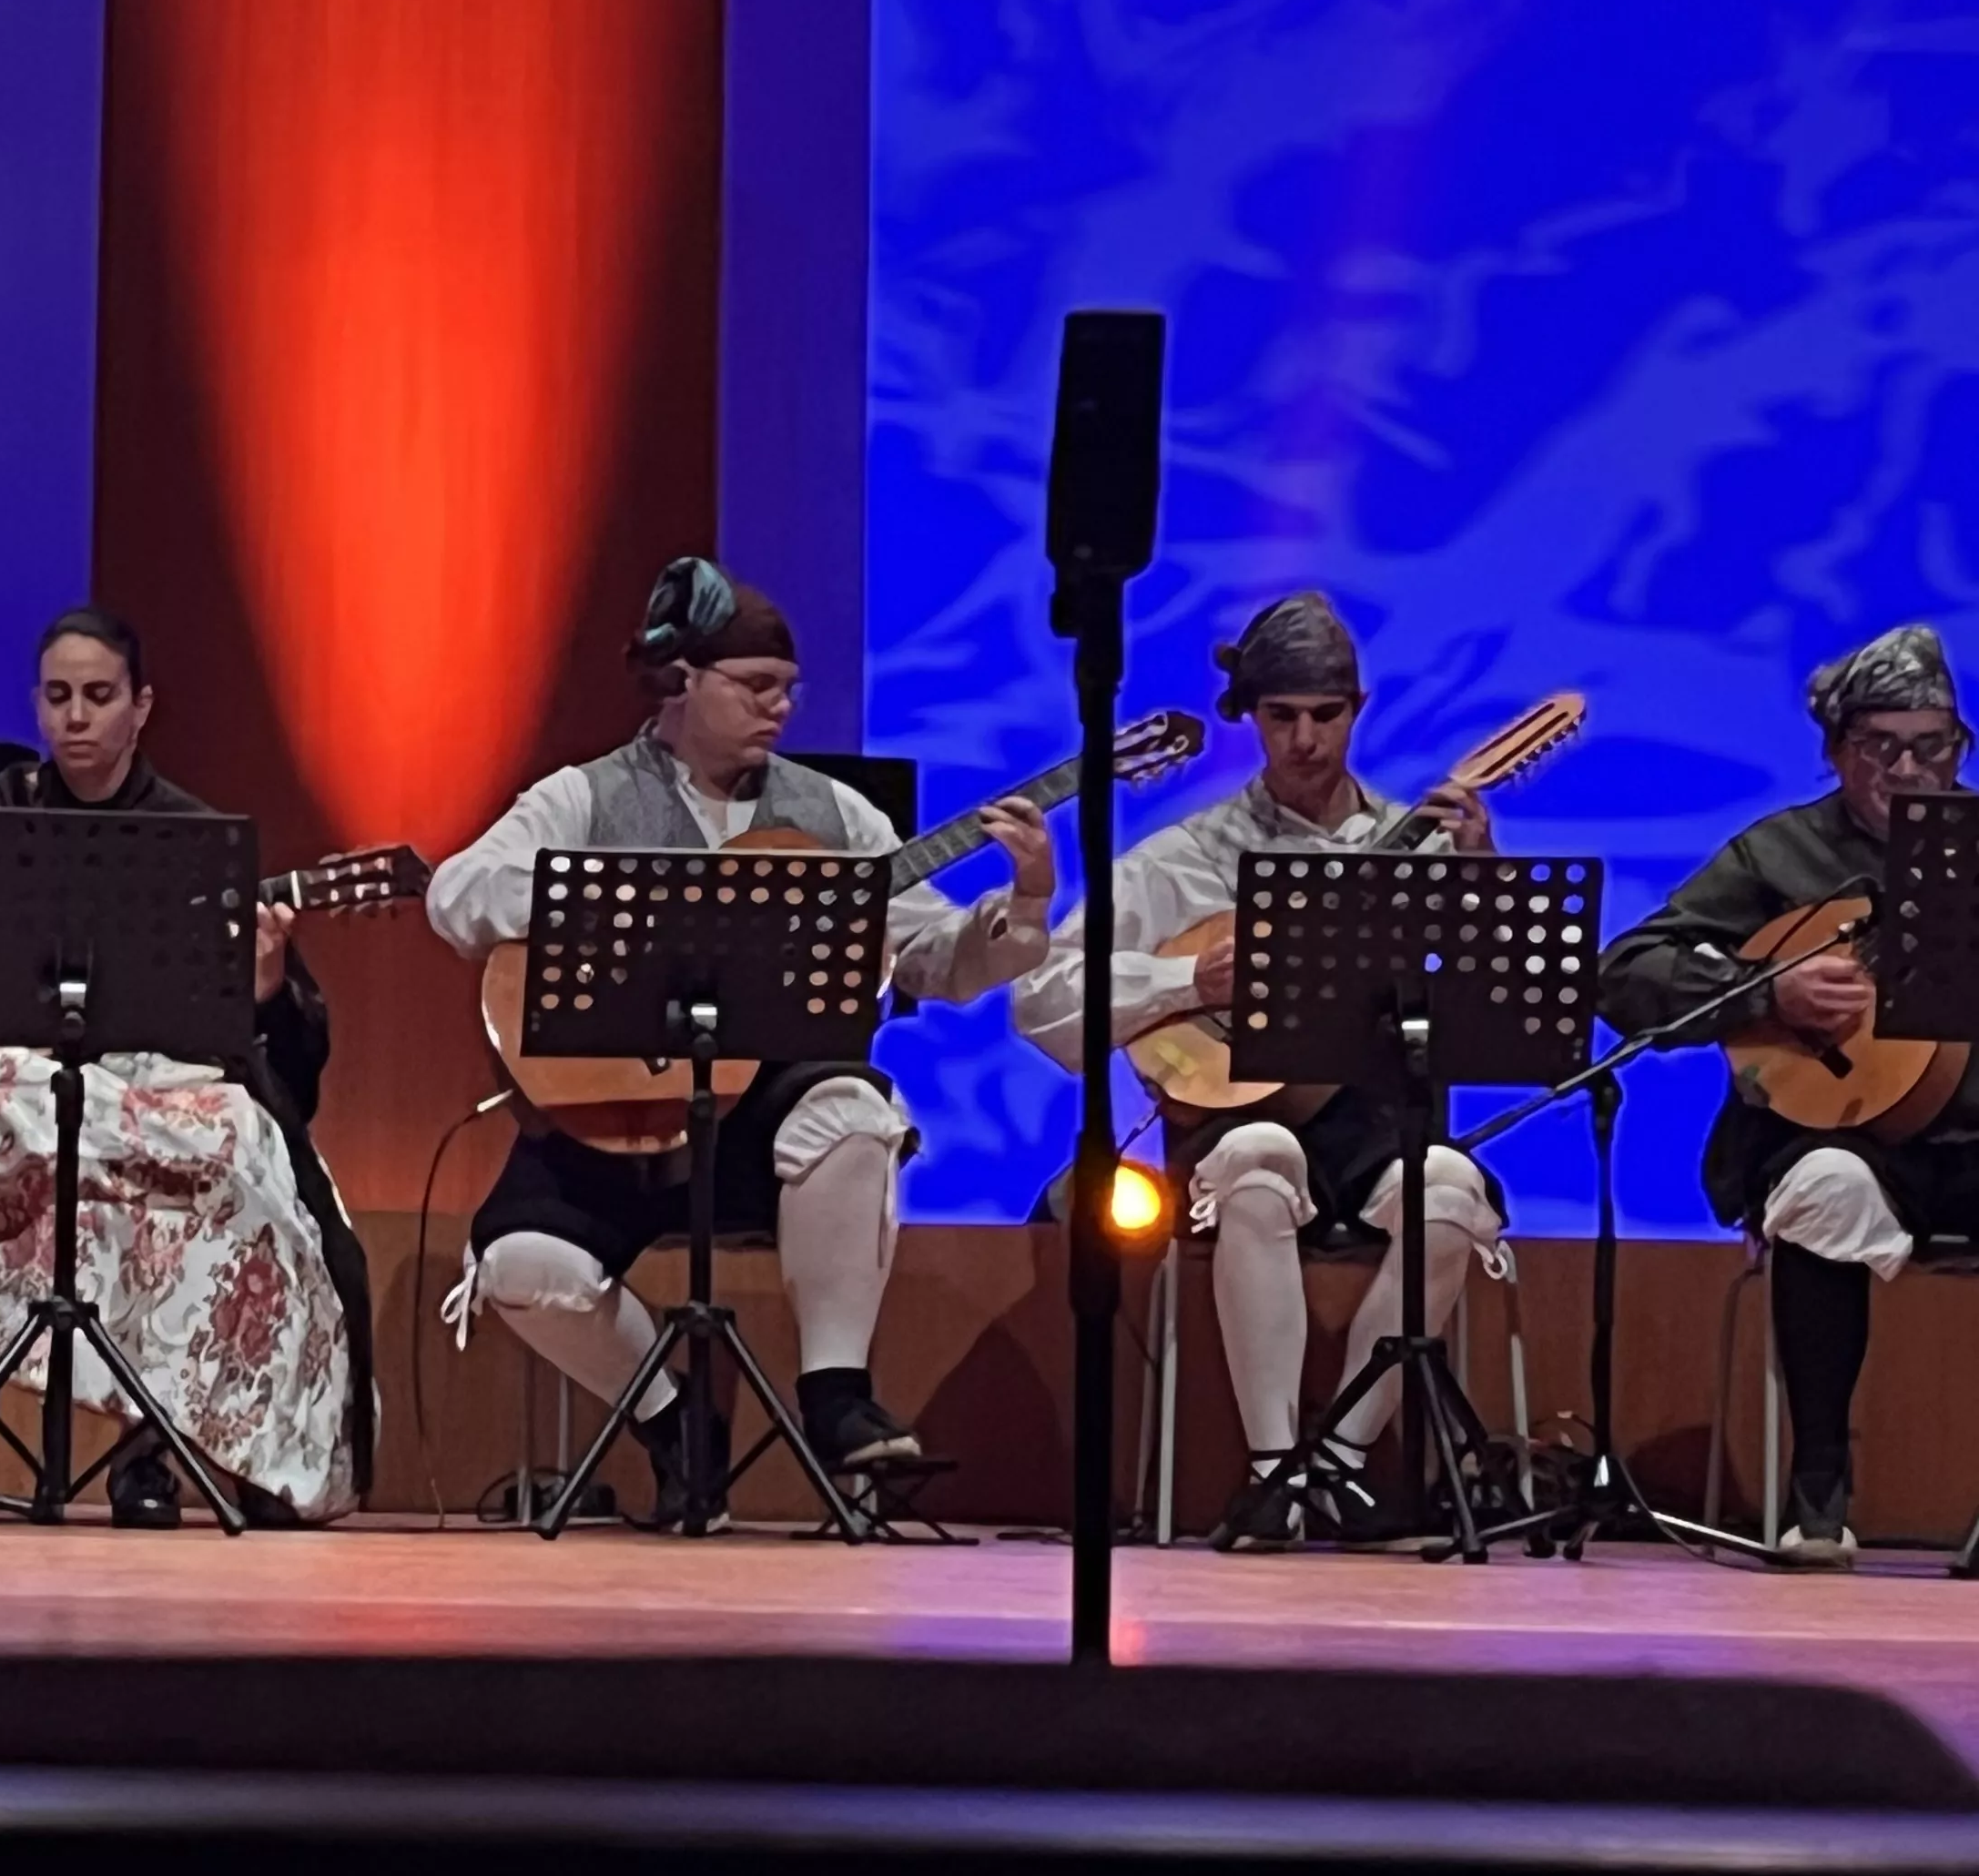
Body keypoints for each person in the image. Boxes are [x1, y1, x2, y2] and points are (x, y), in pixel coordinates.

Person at [426, 556, 1053, 1522]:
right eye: (757, 686)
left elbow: (935, 956)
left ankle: (836, 1395)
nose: (781, 708)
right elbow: (455, 895)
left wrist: (1027, 900)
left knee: (853, 1110)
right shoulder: (583, 795)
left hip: (764, 1122)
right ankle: (673, 1419)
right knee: (520, 1266)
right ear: (682, 680)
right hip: (619, 1116)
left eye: (788, 688)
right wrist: (631, 900)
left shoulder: (835, 814)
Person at [0, 607, 368, 1526]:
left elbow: (289, 1055)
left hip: (146, 1082)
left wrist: (262, 987)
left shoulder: (195, 839)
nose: (78, 716)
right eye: (59, 696)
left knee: (238, 1153)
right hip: (18, 1078)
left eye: (99, 695)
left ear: (142, 707)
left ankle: (160, 1448)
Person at [1010, 590, 1504, 1545]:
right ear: (1251, 718)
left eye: (1327, 715)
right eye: (1282, 717)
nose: (1306, 740)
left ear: (1358, 711)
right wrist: (1184, 977)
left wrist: (1479, 876)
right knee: (1257, 1165)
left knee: (1450, 1190)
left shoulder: (1422, 846)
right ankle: (1273, 1470)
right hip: (1235, 1121)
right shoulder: (1185, 859)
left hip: (1376, 1122)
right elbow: (1044, 999)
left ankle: (1340, 1463)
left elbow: (1494, 1002)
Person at [1602, 623, 1979, 1571]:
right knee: (1825, 1186)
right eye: (1880, 747)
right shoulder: (1779, 855)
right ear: (1837, 751)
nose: (1907, 769)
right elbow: (1628, 972)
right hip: (1839, 1140)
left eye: (1931, 747)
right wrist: (1766, 991)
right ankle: (1818, 1495)